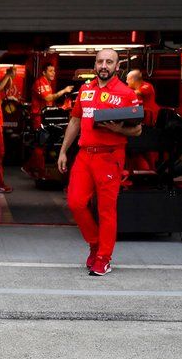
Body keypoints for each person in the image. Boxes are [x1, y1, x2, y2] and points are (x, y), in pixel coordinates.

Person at [57, 49, 141, 276]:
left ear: (117, 67)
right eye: (100, 61)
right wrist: (64, 150)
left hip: (110, 156)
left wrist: (119, 128)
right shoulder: (85, 90)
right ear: (95, 64)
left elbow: (138, 129)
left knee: (106, 210)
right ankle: (95, 244)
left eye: (109, 62)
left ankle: (104, 257)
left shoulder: (126, 93)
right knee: (75, 202)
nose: (104, 65)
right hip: (85, 154)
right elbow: (75, 120)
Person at [24, 64, 74, 179]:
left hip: (46, 117)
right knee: (40, 144)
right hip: (38, 116)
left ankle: (29, 167)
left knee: (44, 144)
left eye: (54, 71)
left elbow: (50, 102)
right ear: (44, 72)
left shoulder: (47, 83)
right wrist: (64, 91)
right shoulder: (40, 82)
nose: (53, 73)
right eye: (50, 71)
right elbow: (48, 98)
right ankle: (41, 172)